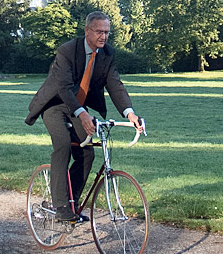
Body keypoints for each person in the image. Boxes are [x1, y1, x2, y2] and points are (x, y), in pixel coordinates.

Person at [25, 11, 142, 222]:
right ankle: (60, 205)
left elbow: (115, 85)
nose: (103, 37)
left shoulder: (107, 54)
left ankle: (72, 202)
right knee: (63, 144)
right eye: (99, 32)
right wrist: (83, 114)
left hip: (79, 107)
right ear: (87, 31)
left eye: (107, 32)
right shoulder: (67, 51)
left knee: (87, 152)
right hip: (55, 105)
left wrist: (130, 113)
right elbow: (64, 88)